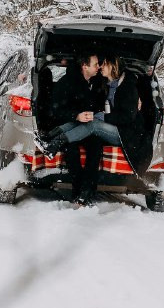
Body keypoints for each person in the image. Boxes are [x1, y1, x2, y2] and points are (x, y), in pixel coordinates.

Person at [43, 54, 153, 203]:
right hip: (114, 127)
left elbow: (127, 117)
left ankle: (57, 141)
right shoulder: (107, 84)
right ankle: (51, 136)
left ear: (113, 66)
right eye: (98, 64)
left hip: (126, 134)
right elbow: (79, 79)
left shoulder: (127, 86)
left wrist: (102, 116)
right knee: (86, 119)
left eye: (104, 64)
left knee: (92, 123)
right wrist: (88, 114)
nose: (100, 67)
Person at [44, 54, 107, 205]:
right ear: (85, 66)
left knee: (96, 147)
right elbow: (55, 111)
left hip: (89, 129)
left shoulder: (98, 83)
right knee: (72, 150)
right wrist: (76, 116)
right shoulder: (66, 83)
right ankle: (77, 189)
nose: (98, 67)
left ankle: (87, 191)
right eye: (95, 64)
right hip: (68, 125)